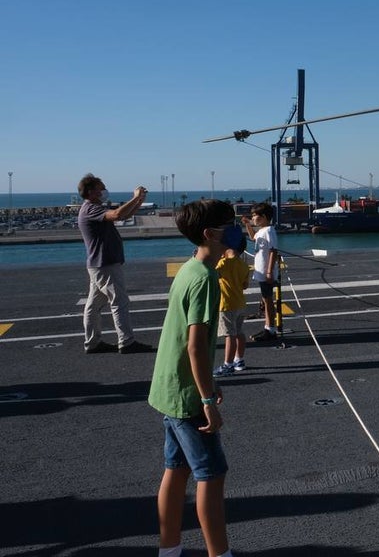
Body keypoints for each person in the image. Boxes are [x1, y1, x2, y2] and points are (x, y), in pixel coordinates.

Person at [148, 198, 237, 557]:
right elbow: (197, 347)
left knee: (176, 470)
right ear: (210, 233)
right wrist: (206, 400)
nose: (237, 229)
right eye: (230, 224)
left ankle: (169, 550)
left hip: (168, 389)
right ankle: (220, 554)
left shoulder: (189, 269)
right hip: (187, 397)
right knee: (211, 476)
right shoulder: (206, 280)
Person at [76, 173, 153, 354]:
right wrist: (134, 197)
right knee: (119, 301)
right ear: (91, 192)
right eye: (101, 188)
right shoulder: (91, 209)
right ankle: (126, 342)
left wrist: (139, 200)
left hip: (99, 264)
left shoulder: (93, 208)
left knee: (93, 305)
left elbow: (124, 214)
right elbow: (118, 214)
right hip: (105, 264)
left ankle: (93, 342)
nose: (104, 191)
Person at [213, 226, 250, 377]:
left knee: (230, 335)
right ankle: (239, 360)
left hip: (226, 304)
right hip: (240, 302)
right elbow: (245, 285)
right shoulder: (243, 265)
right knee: (239, 333)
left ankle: (227, 364)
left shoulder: (222, 264)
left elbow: (210, 274)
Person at [242, 203, 279, 342]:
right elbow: (253, 238)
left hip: (265, 272)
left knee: (268, 301)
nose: (253, 218)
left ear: (263, 217)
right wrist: (247, 225)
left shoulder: (269, 230)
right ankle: (268, 328)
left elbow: (273, 250)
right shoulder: (262, 230)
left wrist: (269, 272)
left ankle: (270, 330)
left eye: (254, 215)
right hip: (261, 271)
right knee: (266, 300)